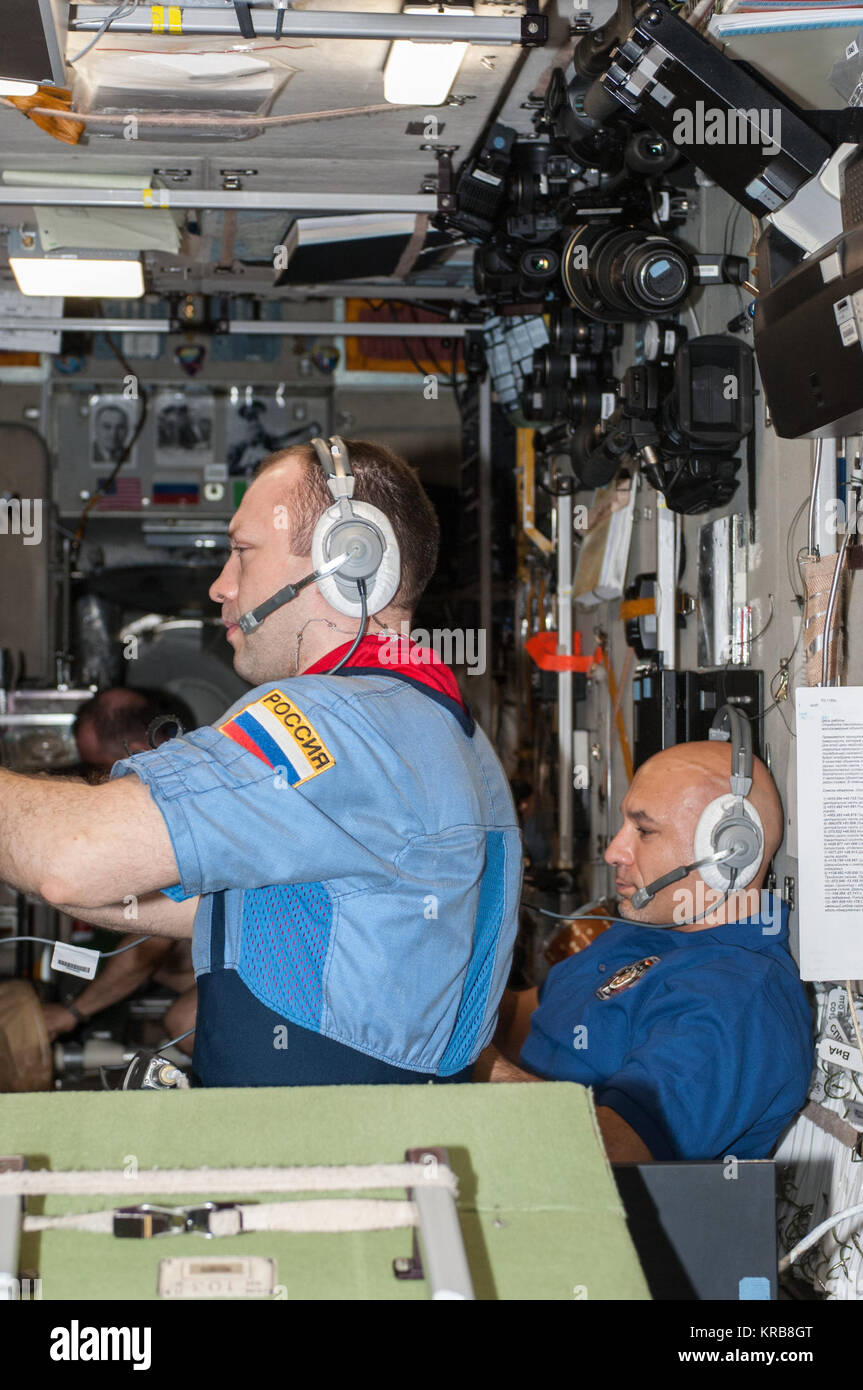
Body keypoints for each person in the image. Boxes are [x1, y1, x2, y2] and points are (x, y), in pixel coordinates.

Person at [0, 438, 521, 1087]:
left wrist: (63, 853)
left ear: (348, 559)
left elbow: (72, 860)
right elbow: (245, 913)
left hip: (319, 1166)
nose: (221, 584)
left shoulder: (333, 721)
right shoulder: (435, 727)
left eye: (242, 551)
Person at [476, 733, 813, 1163]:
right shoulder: (653, 927)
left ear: (731, 852)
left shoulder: (734, 1001)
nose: (615, 851)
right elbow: (528, 1017)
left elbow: (615, 1152)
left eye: (644, 830)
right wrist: (437, 1009)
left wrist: (472, 1061)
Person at [43, 686, 197, 1055]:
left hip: (294, 948)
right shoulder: (181, 771)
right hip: (229, 956)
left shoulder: (179, 799)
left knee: (185, 1025)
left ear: (140, 753)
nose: (100, 780)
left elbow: (150, 946)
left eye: (100, 767)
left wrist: (70, 1014)